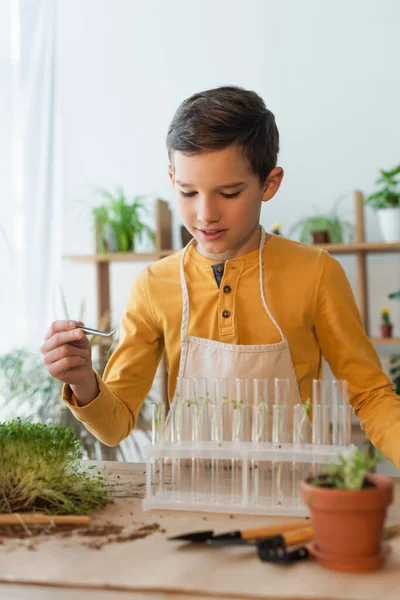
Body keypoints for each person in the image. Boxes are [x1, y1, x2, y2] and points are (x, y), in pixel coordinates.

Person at [41, 85, 400, 467]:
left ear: (269, 184)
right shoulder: (153, 285)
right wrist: (82, 380)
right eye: (188, 192)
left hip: (294, 499)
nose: (205, 214)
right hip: (187, 500)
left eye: (228, 193)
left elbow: (370, 395)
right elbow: (115, 426)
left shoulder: (316, 273)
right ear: (171, 178)